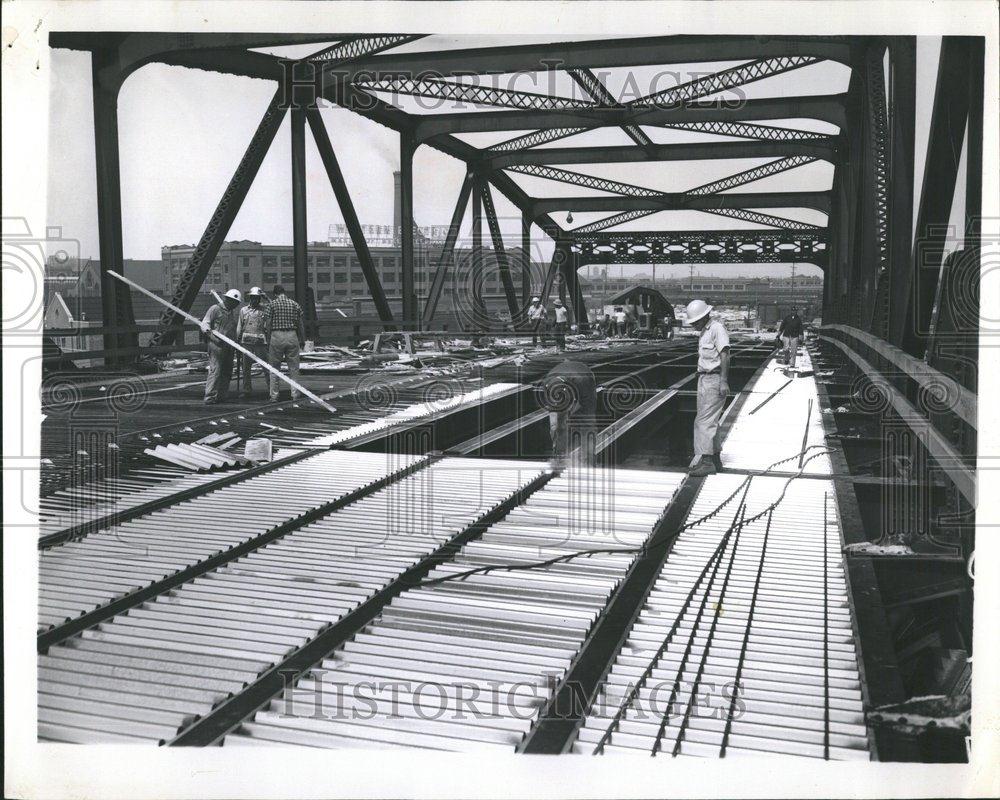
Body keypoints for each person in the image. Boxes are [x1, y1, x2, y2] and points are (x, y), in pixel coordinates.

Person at [686, 299, 730, 477]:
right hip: (704, 378)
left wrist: (724, 381)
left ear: (704, 317)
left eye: (695, 321)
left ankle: (707, 462)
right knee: (710, 421)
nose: (694, 325)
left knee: (703, 421)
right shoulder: (704, 331)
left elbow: (725, 355)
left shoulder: (717, 329)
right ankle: (715, 459)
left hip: (714, 378)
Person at [200, 288, 242, 405]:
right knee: (216, 370)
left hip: (229, 345)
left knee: (227, 371)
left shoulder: (230, 312)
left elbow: (232, 330)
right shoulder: (215, 309)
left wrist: (236, 344)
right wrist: (213, 338)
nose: (236, 306)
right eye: (235, 303)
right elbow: (205, 324)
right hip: (216, 345)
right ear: (228, 300)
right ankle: (210, 396)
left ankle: (222, 395)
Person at [264, 285, 305, 402]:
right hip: (292, 335)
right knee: (293, 367)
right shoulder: (294, 304)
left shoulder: (271, 305)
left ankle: (274, 396)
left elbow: (268, 323)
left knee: (274, 368)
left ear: (275, 294)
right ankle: (295, 394)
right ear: (284, 292)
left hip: (277, 336)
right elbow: (300, 323)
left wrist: (268, 340)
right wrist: (302, 339)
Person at [236, 286, 268, 397]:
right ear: (250, 298)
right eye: (253, 297)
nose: (255, 300)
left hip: (261, 343)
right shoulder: (243, 310)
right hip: (246, 342)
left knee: (266, 367)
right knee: (245, 368)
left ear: (260, 299)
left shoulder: (265, 309)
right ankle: (247, 391)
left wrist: (266, 297)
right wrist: (237, 340)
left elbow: (274, 307)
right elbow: (240, 326)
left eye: (257, 298)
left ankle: (271, 390)